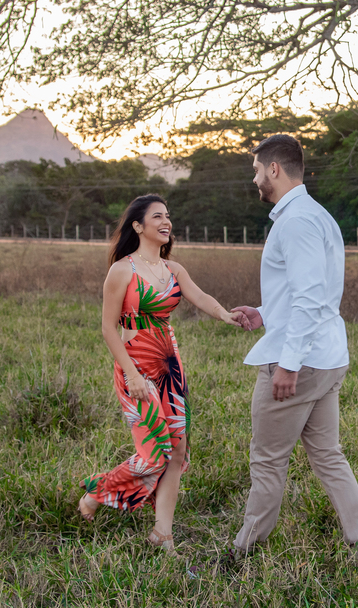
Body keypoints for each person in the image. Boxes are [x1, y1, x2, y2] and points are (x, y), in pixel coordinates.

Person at [212, 134, 358, 569]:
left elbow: (308, 299)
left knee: (266, 460)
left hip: (301, 362)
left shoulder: (297, 221)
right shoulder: (314, 215)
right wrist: (264, 313)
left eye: (255, 170)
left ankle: (242, 553)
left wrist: (287, 364)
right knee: (328, 455)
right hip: (325, 356)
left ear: (274, 169)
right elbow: (309, 293)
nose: (254, 179)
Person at [79, 194, 243, 555]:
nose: (166, 222)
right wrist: (132, 374)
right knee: (155, 452)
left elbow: (200, 297)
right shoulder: (122, 270)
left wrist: (227, 315)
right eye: (157, 217)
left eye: (168, 216)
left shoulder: (173, 270)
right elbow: (108, 328)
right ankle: (98, 492)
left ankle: (162, 533)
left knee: (179, 452)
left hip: (170, 366)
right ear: (138, 226)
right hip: (135, 366)